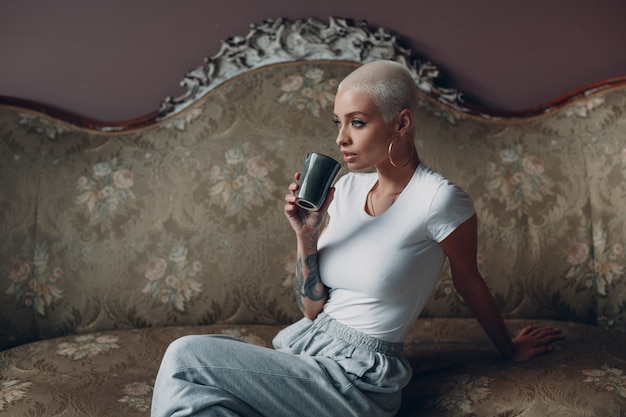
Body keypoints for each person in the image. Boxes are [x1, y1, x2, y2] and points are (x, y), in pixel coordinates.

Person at [151, 60, 564, 417]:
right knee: (202, 404)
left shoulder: (439, 200)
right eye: (339, 122)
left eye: (357, 122)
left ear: (401, 123)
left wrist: (508, 348)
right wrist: (305, 236)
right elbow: (312, 309)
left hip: (357, 381)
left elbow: (469, 281)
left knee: (186, 356)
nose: (341, 138)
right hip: (308, 355)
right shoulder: (346, 191)